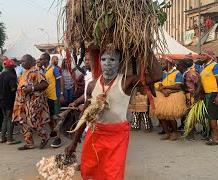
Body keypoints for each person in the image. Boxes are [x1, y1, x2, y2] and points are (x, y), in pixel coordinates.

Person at [65, 50, 162, 179]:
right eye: (104, 59)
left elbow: (156, 77)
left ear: (119, 63)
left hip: (117, 135)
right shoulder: (92, 85)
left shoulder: (126, 82)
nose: (107, 63)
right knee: (92, 170)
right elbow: (84, 115)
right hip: (95, 134)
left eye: (112, 60)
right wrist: (75, 142)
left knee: (113, 173)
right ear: (99, 62)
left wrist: (145, 49)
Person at [12, 54, 50, 150]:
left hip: (33, 101)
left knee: (32, 122)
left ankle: (45, 135)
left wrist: (32, 88)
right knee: (23, 122)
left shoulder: (37, 71)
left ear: (29, 61)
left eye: (23, 61)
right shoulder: (26, 72)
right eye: (21, 61)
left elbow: (45, 84)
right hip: (23, 102)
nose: (21, 63)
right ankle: (29, 143)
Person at [153, 56, 185, 141]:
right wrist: (163, 91)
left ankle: (175, 132)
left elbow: (177, 86)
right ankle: (167, 133)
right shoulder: (162, 74)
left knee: (170, 116)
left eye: (163, 64)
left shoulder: (177, 73)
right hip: (162, 96)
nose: (161, 65)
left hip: (173, 96)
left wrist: (165, 88)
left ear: (169, 64)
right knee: (161, 115)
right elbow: (159, 86)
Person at [40, 53, 65, 148]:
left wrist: (62, 94)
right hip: (46, 97)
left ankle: (58, 138)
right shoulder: (43, 70)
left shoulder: (53, 69)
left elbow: (61, 80)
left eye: (42, 59)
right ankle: (53, 131)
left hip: (54, 97)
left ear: (46, 60)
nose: (41, 61)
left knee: (56, 117)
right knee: (48, 117)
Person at [0, 59, 21, 144]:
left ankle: (2, 138)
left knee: (4, 119)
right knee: (10, 119)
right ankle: (10, 139)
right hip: (9, 100)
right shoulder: (12, 76)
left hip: (1, 100)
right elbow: (13, 88)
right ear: (11, 67)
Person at [176, 57, 201, 141]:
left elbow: (199, 85)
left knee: (191, 116)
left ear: (181, 66)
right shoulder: (183, 73)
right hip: (186, 96)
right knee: (186, 115)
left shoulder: (191, 74)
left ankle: (191, 135)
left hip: (192, 96)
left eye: (177, 65)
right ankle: (188, 132)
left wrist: (195, 97)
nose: (176, 66)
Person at [199, 50, 218, 145]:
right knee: (209, 116)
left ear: (209, 56)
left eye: (203, 55)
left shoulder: (215, 65)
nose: (201, 57)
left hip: (214, 93)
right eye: (201, 55)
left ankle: (216, 138)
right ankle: (212, 135)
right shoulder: (203, 67)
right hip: (207, 94)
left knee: (212, 117)